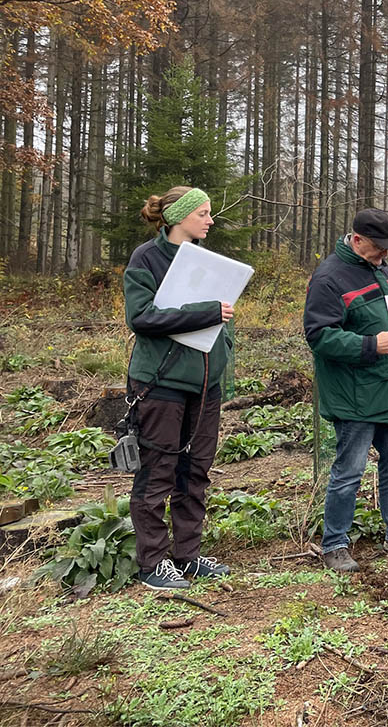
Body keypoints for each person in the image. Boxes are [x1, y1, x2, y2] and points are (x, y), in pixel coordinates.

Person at [304, 208, 388, 573]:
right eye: (379, 248)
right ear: (357, 239)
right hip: (355, 394)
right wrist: (367, 345)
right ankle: (334, 544)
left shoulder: (383, 269)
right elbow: (318, 335)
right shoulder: (329, 277)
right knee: (349, 470)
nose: (385, 255)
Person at [124, 186, 234, 590]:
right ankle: (153, 563)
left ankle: (187, 557)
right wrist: (205, 312)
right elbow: (141, 316)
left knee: (195, 471)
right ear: (179, 217)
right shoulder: (146, 259)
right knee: (158, 472)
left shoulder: (207, 261)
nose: (210, 220)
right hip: (161, 383)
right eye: (203, 213)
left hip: (206, 385)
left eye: (210, 214)